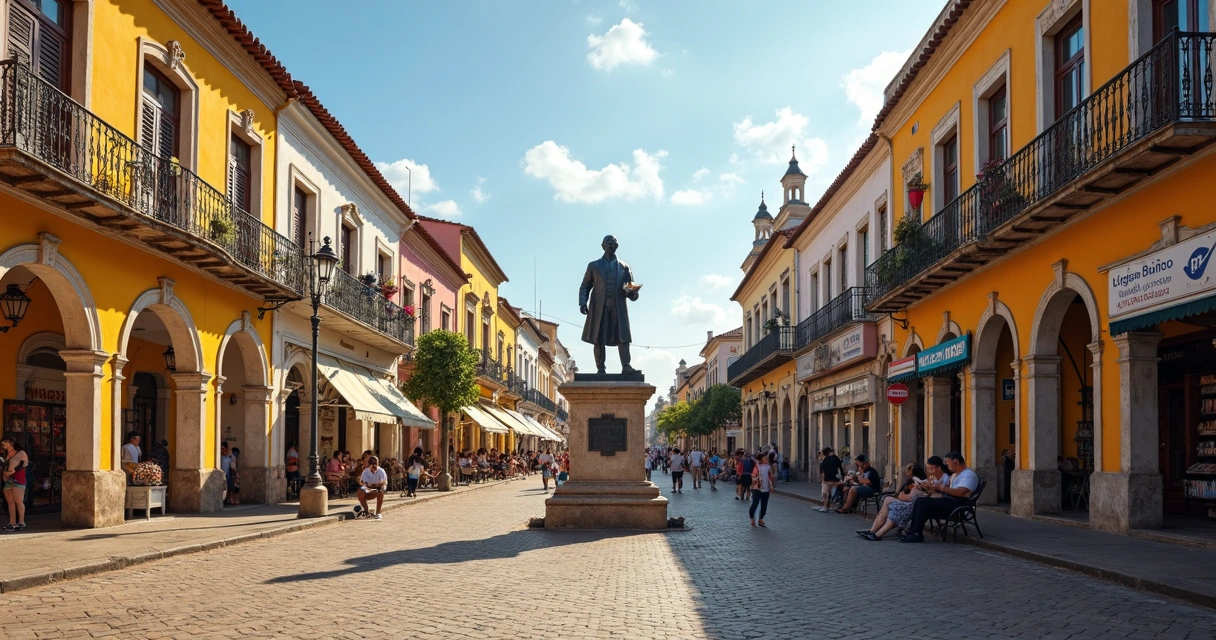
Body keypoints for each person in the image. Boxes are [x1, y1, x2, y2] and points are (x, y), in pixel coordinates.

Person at [900, 452, 980, 543]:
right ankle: (913, 532)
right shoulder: (955, 475)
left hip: (957, 505)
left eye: (947, 463)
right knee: (921, 501)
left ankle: (915, 534)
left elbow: (961, 492)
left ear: (956, 461)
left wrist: (941, 488)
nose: (946, 465)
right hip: (951, 501)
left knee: (922, 502)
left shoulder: (968, 475)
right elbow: (950, 489)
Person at [859, 463, 927, 540]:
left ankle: (875, 533)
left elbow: (909, 498)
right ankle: (874, 532)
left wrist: (901, 496)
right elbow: (901, 494)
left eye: (908, 470)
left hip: (910, 507)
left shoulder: (920, 483)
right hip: (907, 505)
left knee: (888, 501)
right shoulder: (911, 482)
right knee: (889, 507)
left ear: (913, 471)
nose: (905, 473)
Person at [2, 438, 29, 531]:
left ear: (12, 443)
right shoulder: (6, 455)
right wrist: (4, 475)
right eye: (3, 445)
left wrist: (13, 471)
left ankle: (21, 522)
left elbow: (24, 464)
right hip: (8, 480)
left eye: (6, 444)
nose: (4, 446)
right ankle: (12, 522)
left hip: (18, 479)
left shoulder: (21, 453)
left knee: (18, 500)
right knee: (10, 502)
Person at [749, 452, 776, 527]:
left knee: (764, 506)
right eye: (765, 458)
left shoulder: (768, 467)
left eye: (766, 458)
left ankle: (761, 519)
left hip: (766, 488)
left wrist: (772, 486)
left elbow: (771, 477)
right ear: (761, 459)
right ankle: (752, 518)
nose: (766, 459)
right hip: (757, 488)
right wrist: (757, 480)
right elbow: (753, 476)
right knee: (755, 504)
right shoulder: (757, 466)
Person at [817, 447, 843, 513]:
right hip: (836, 480)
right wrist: (842, 478)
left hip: (827, 480)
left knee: (825, 494)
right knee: (833, 494)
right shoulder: (836, 458)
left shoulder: (823, 461)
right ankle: (833, 506)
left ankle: (825, 507)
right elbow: (840, 468)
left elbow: (823, 473)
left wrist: (823, 481)